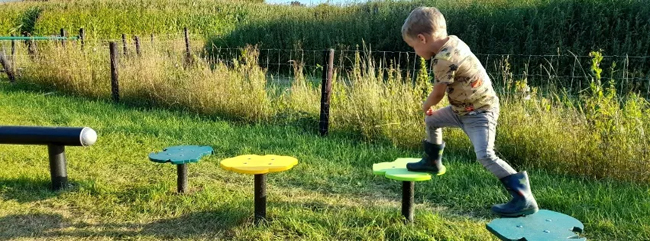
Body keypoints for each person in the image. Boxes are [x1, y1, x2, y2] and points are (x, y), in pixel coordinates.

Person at [401, 6, 538, 217]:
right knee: (433, 122)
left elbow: (437, 94)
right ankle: (432, 162)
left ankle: (523, 198)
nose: (414, 52)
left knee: (485, 155)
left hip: (480, 112)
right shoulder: (454, 41)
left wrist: (426, 105)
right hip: (460, 109)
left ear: (422, 38)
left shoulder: (443, 60)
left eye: (413, 47)